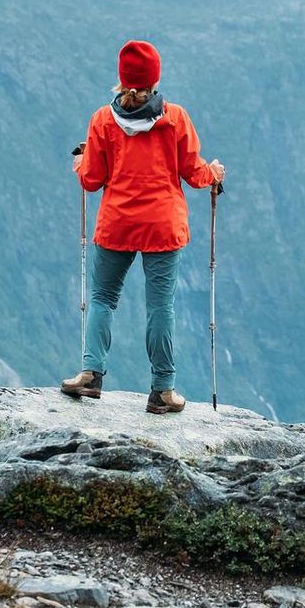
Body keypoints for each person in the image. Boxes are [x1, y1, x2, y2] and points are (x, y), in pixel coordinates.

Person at [63, 39, 224, 414]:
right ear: (155, 78)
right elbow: (193, 171)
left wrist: (81, 161)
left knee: (103, 298)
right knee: (160, 306)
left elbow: (91, 180)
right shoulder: (175, 118)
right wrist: (213, 172)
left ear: (121, 80)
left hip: (117, 223)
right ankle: (163, 390)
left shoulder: (103, 120)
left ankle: (91, 375)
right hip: (162, 227)